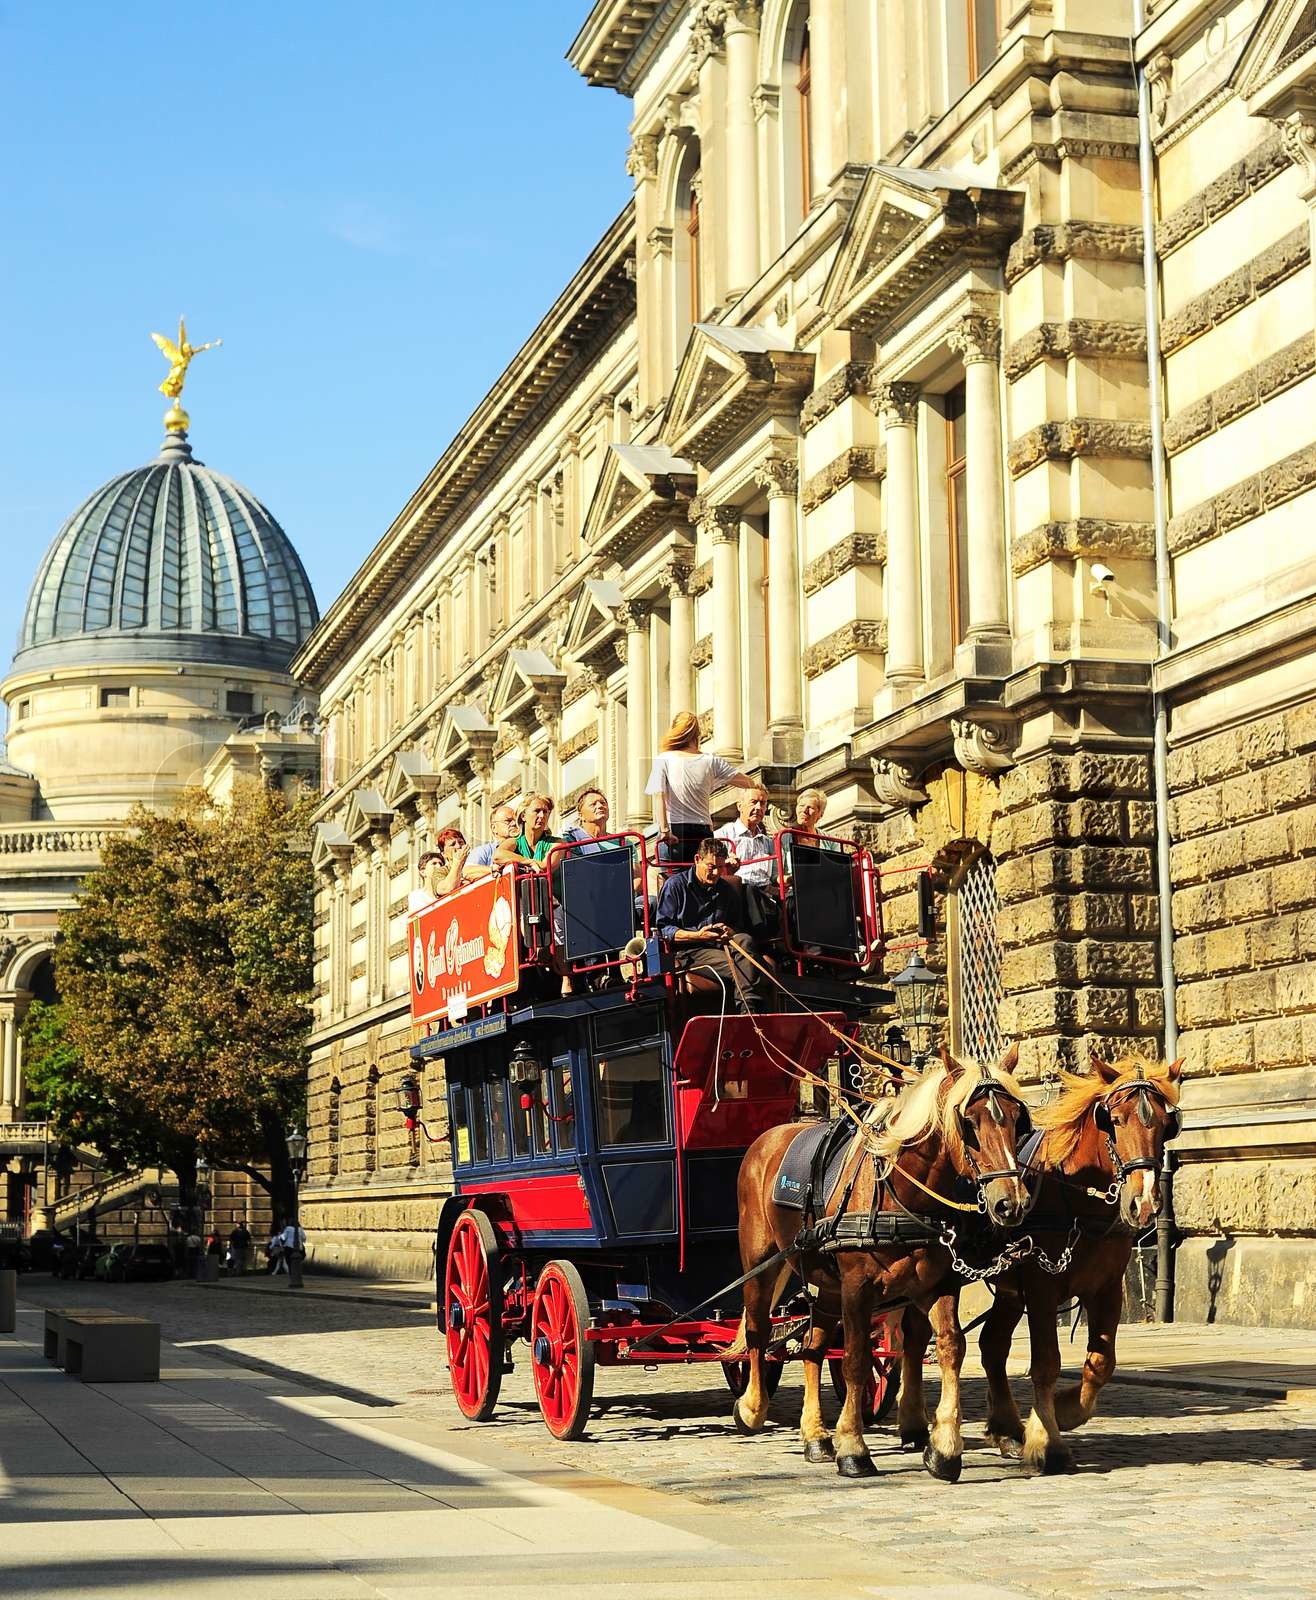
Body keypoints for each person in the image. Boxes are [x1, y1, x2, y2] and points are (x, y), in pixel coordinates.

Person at [655, 837, 770, 1011]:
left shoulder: (726, 890)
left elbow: (737, 926)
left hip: (721, 944)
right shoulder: (675, 886)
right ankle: (749, 1012)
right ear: (697, 860)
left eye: (720, 867)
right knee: (748, 968)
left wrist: (728, 930)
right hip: (690, 950)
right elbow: (665, 930)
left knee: (745, 939)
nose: (716, 873)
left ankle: (748, 1013)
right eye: (711, 867)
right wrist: (698, 935)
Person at [645, 711, 759, 863]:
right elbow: (748, 783)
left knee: (673, 879)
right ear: (697, 734)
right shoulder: (710, 761)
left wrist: (665, 829)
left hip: (675, 829)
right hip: (702, 829)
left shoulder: (664, 758)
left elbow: (659, 794)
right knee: (703, 879)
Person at [715, 786, 775, 889]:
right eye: (753, 802)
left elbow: (775, 876)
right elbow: (707, 864)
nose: (758, 807)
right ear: (739, 806)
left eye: (763, 803)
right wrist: (724, 863)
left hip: (763, 894)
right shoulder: (723, 835)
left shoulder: (768, 842)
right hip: (735, 892)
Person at [467, 804, 518, 872]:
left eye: (516, 820)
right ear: (494, 828)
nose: (514, 823)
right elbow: (468, 871)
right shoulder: (483, 851)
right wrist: (493, 870)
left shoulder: (525, 846)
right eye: (508, 821)